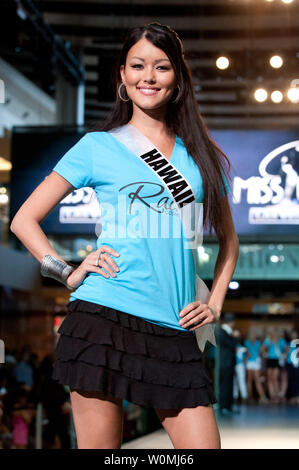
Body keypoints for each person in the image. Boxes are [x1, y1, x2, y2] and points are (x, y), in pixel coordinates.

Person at [10, 22, 239, 449]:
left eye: (162, 67)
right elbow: (23, 219)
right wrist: (65, 271)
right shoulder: (98, 146)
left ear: (178, 78)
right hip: (102, 317)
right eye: (137, 65)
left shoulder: (201, 156)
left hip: (175, 328)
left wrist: (215, 303)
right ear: (122, 75)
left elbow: (229, 241)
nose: (148, 77)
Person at [216, 313, 239, 415]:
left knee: (229, 385)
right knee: (225, 385)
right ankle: (223, 406)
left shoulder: (226, 332)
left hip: (228, 363)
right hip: (225, 363)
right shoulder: (223, 332)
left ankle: (228, 406)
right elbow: (231, 345)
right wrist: (235, 337)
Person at [262, 328, 287, 404]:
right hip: (270, 359)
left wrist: (284, 355)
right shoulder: (268, 340)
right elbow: (262, 348)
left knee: (275, 378)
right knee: (269, 378)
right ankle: (272, 395)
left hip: (277, 360)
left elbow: (287, 348)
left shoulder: (281, 341)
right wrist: (265, 353)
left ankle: (277, 395)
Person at [244, 330, 268, 404]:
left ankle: (262, 397)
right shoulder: (247, 342)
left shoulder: (258, 342)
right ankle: (250, 397)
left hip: (256, 361)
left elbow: (262, 351)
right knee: (249, 380)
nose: (253, 335)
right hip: (249, 362)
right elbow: (246, 352)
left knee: (257, 380)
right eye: (252, 334)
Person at [233, 330, 248, 405]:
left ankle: (244, 397)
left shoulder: (242, 345)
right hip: (233, 364)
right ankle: (235, 397)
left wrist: (243, 361)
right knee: (234, 381)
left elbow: (247, 355)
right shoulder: (232, 344)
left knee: (241, 380)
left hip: (240, 365)